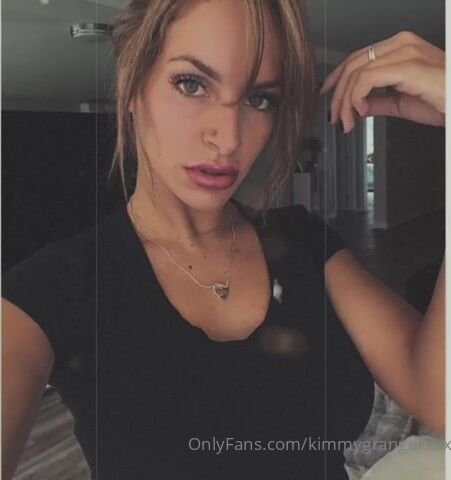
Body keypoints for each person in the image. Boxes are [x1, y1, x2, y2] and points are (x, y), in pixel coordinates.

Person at [2, 0, 445, 479]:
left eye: (259, 99)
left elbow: (437, 397)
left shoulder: (304, 242)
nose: (230, 138)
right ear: (132, 85)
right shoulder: (51, 291)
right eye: (191, 84)